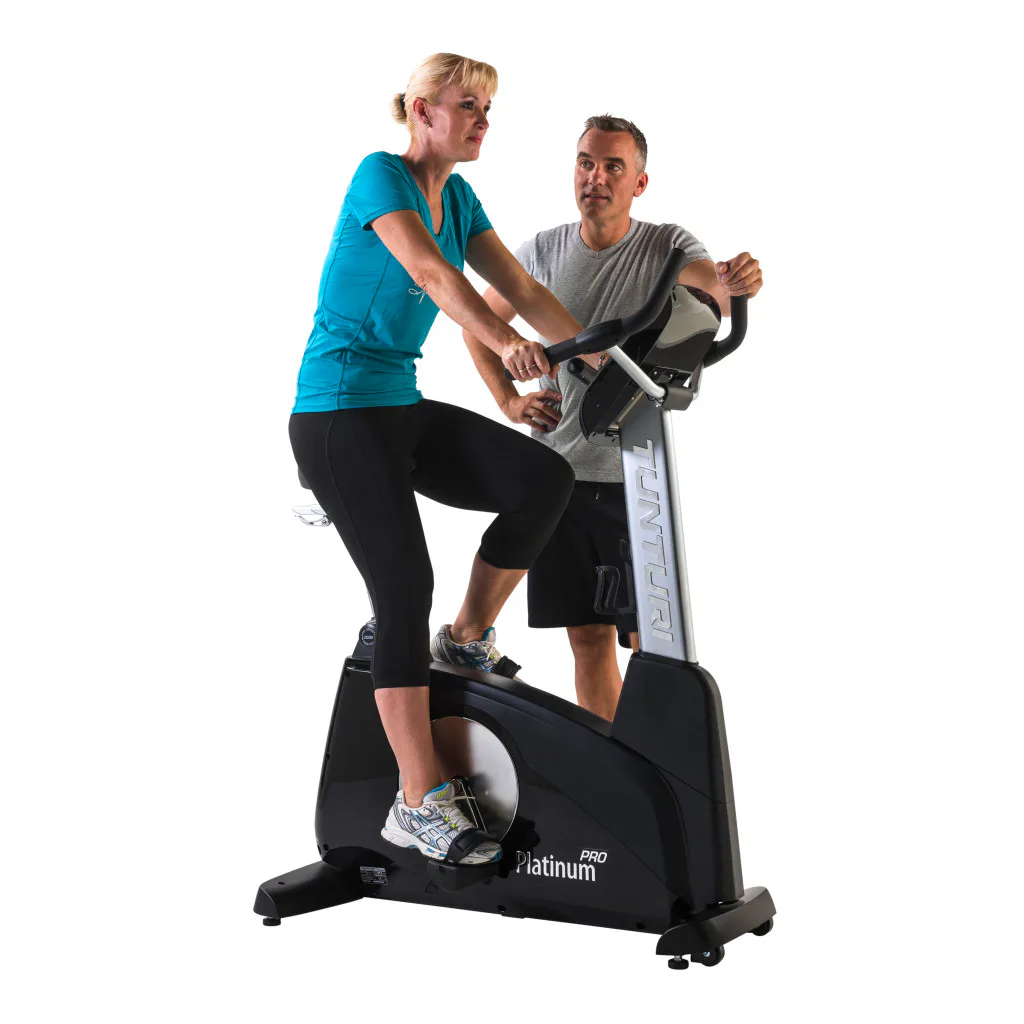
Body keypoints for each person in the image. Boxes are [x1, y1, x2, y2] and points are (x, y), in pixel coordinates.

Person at [289, 54, 582, 865]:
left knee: (542, 480)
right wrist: (507, 345)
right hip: (337, 415)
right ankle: (416, 801)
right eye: (468, 105)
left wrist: (597, 354)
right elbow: (431, 271)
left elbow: (521, 286)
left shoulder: (459, 198)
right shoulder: (379, 176)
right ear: (422, 111)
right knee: (402, 589)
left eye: (489, 108)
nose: (484, 120)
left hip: (398, 407)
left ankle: (466, 636)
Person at [462, 115, 764, 721]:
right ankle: (613, 766)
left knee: (651, 641)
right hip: (557, 477)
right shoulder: (541, 251)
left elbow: (716, 292)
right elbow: (479, 323)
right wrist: (508, 400)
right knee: (588, 640)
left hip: (634, 475)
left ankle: (658, 761)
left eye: (612, 167)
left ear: (638, 183)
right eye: (586, 163)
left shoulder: (666, 246)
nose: (595, 177)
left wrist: (739, 282)